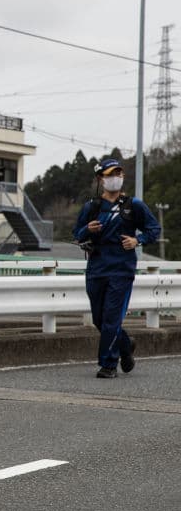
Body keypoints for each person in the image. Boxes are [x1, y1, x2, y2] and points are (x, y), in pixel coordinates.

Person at [73, 158, 161, 378]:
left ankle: (108, 365)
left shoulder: (134, 205)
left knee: (112, 317)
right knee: (99, 320)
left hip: (122, 268)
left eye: (119, 174)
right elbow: (77, 234)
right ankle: (125, 344)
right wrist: (87, 229)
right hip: (96, 266)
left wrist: (137, 241)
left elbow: (154, 229)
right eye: (110, 174)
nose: (115, 178)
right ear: (100, 179)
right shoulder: (92, 207)